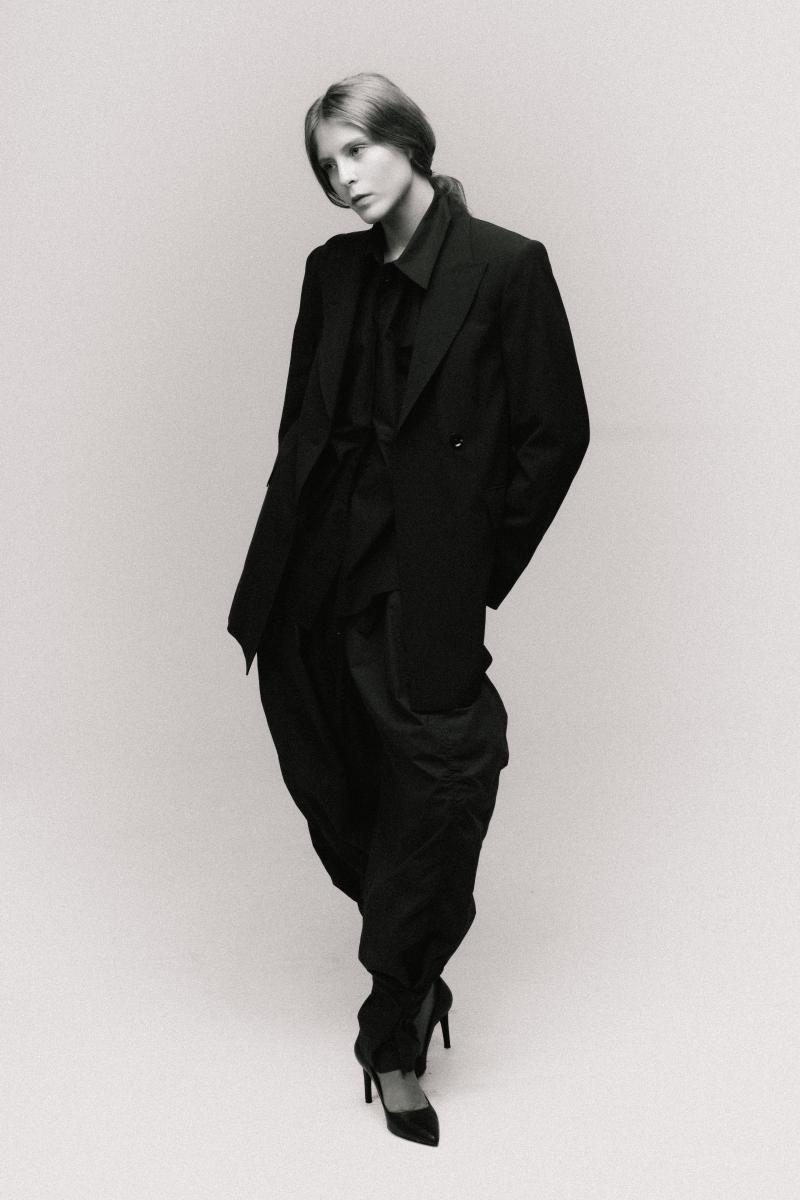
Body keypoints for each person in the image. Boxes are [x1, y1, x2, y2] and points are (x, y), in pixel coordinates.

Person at [227, 72, 590, 1146]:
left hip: (418, 591)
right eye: (325, 163)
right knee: (336, 788)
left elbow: (556, 435)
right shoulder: (330, 273)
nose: (343, 178)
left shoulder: (506, 267)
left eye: (356, 150)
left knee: (442, 785)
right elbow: (299, 431)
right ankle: (411, 967)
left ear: (408, 141)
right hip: (309, 583)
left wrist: (472, 566)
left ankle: (391, 1030)